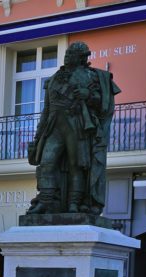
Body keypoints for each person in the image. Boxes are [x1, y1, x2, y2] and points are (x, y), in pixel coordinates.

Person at [25, 41, 120, 216]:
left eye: (71, 55)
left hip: (76, 123)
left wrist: (89, 95)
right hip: (54, 125)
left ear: (82, 58)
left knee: (77, 165)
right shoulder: (54, 78)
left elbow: (104, 103)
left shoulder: (91, 76)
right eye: (67, 54)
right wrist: (38, 135)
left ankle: (74, 204)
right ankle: (46, 201)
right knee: (47, 162)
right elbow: (46, 110)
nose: (67, 57)